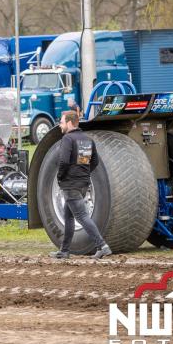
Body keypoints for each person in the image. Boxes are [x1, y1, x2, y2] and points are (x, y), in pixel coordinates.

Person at [50, 111, 112, 260]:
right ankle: (64, 251)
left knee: (82, 216)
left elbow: (64, 161)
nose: (60, 125)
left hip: (71, 185)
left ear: (70, 123)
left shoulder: (68, 139)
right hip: (83, 184)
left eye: (62, 122)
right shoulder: (87, 140)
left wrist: (60, 177)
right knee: (68, 216)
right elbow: (94, 161)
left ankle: (102, 246)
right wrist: (83, 173)